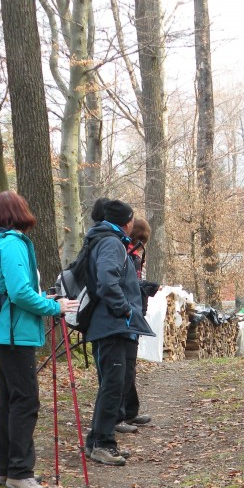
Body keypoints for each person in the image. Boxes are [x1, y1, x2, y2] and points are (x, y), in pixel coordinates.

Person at [0, 191, 78, 488]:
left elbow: (10, 291)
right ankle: (20, 472)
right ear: (20, 213)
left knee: (9, 400)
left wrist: (44, 299)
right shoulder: (12, 244)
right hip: (14, 334)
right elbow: (19, 294)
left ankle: (4, 468)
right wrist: (54, 308)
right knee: (25, 401)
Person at [83, 199, 156, 465]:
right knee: (112, 386)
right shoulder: (112, 242)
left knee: (112, 385)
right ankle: (103, 443)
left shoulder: (108, 240)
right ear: (124, 221)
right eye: (129, 219)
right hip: (111, 325)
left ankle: (96, 441)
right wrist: (124, 310)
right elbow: (106, 281)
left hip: (113, 325)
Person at [115, 217, 159, 434]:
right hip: (128, 316)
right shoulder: (128, 253)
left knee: (129, 365)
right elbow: (127, 285)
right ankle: (119, 414)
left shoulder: (135, 254)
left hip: (135, 314)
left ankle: (130, 411)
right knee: (124, 366)